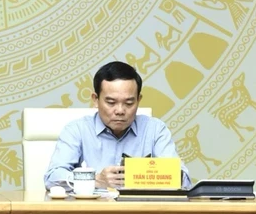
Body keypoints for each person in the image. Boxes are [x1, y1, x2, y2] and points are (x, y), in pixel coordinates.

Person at [43, 61, 191, 191]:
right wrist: (95, 180)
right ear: (95, 99)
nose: (120, 111)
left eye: (129, 103)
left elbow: (183, 180)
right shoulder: (77, 130)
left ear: (138, 100)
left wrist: (151, 175)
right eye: (111, 102)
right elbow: (52, 178)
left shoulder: (155, 130)